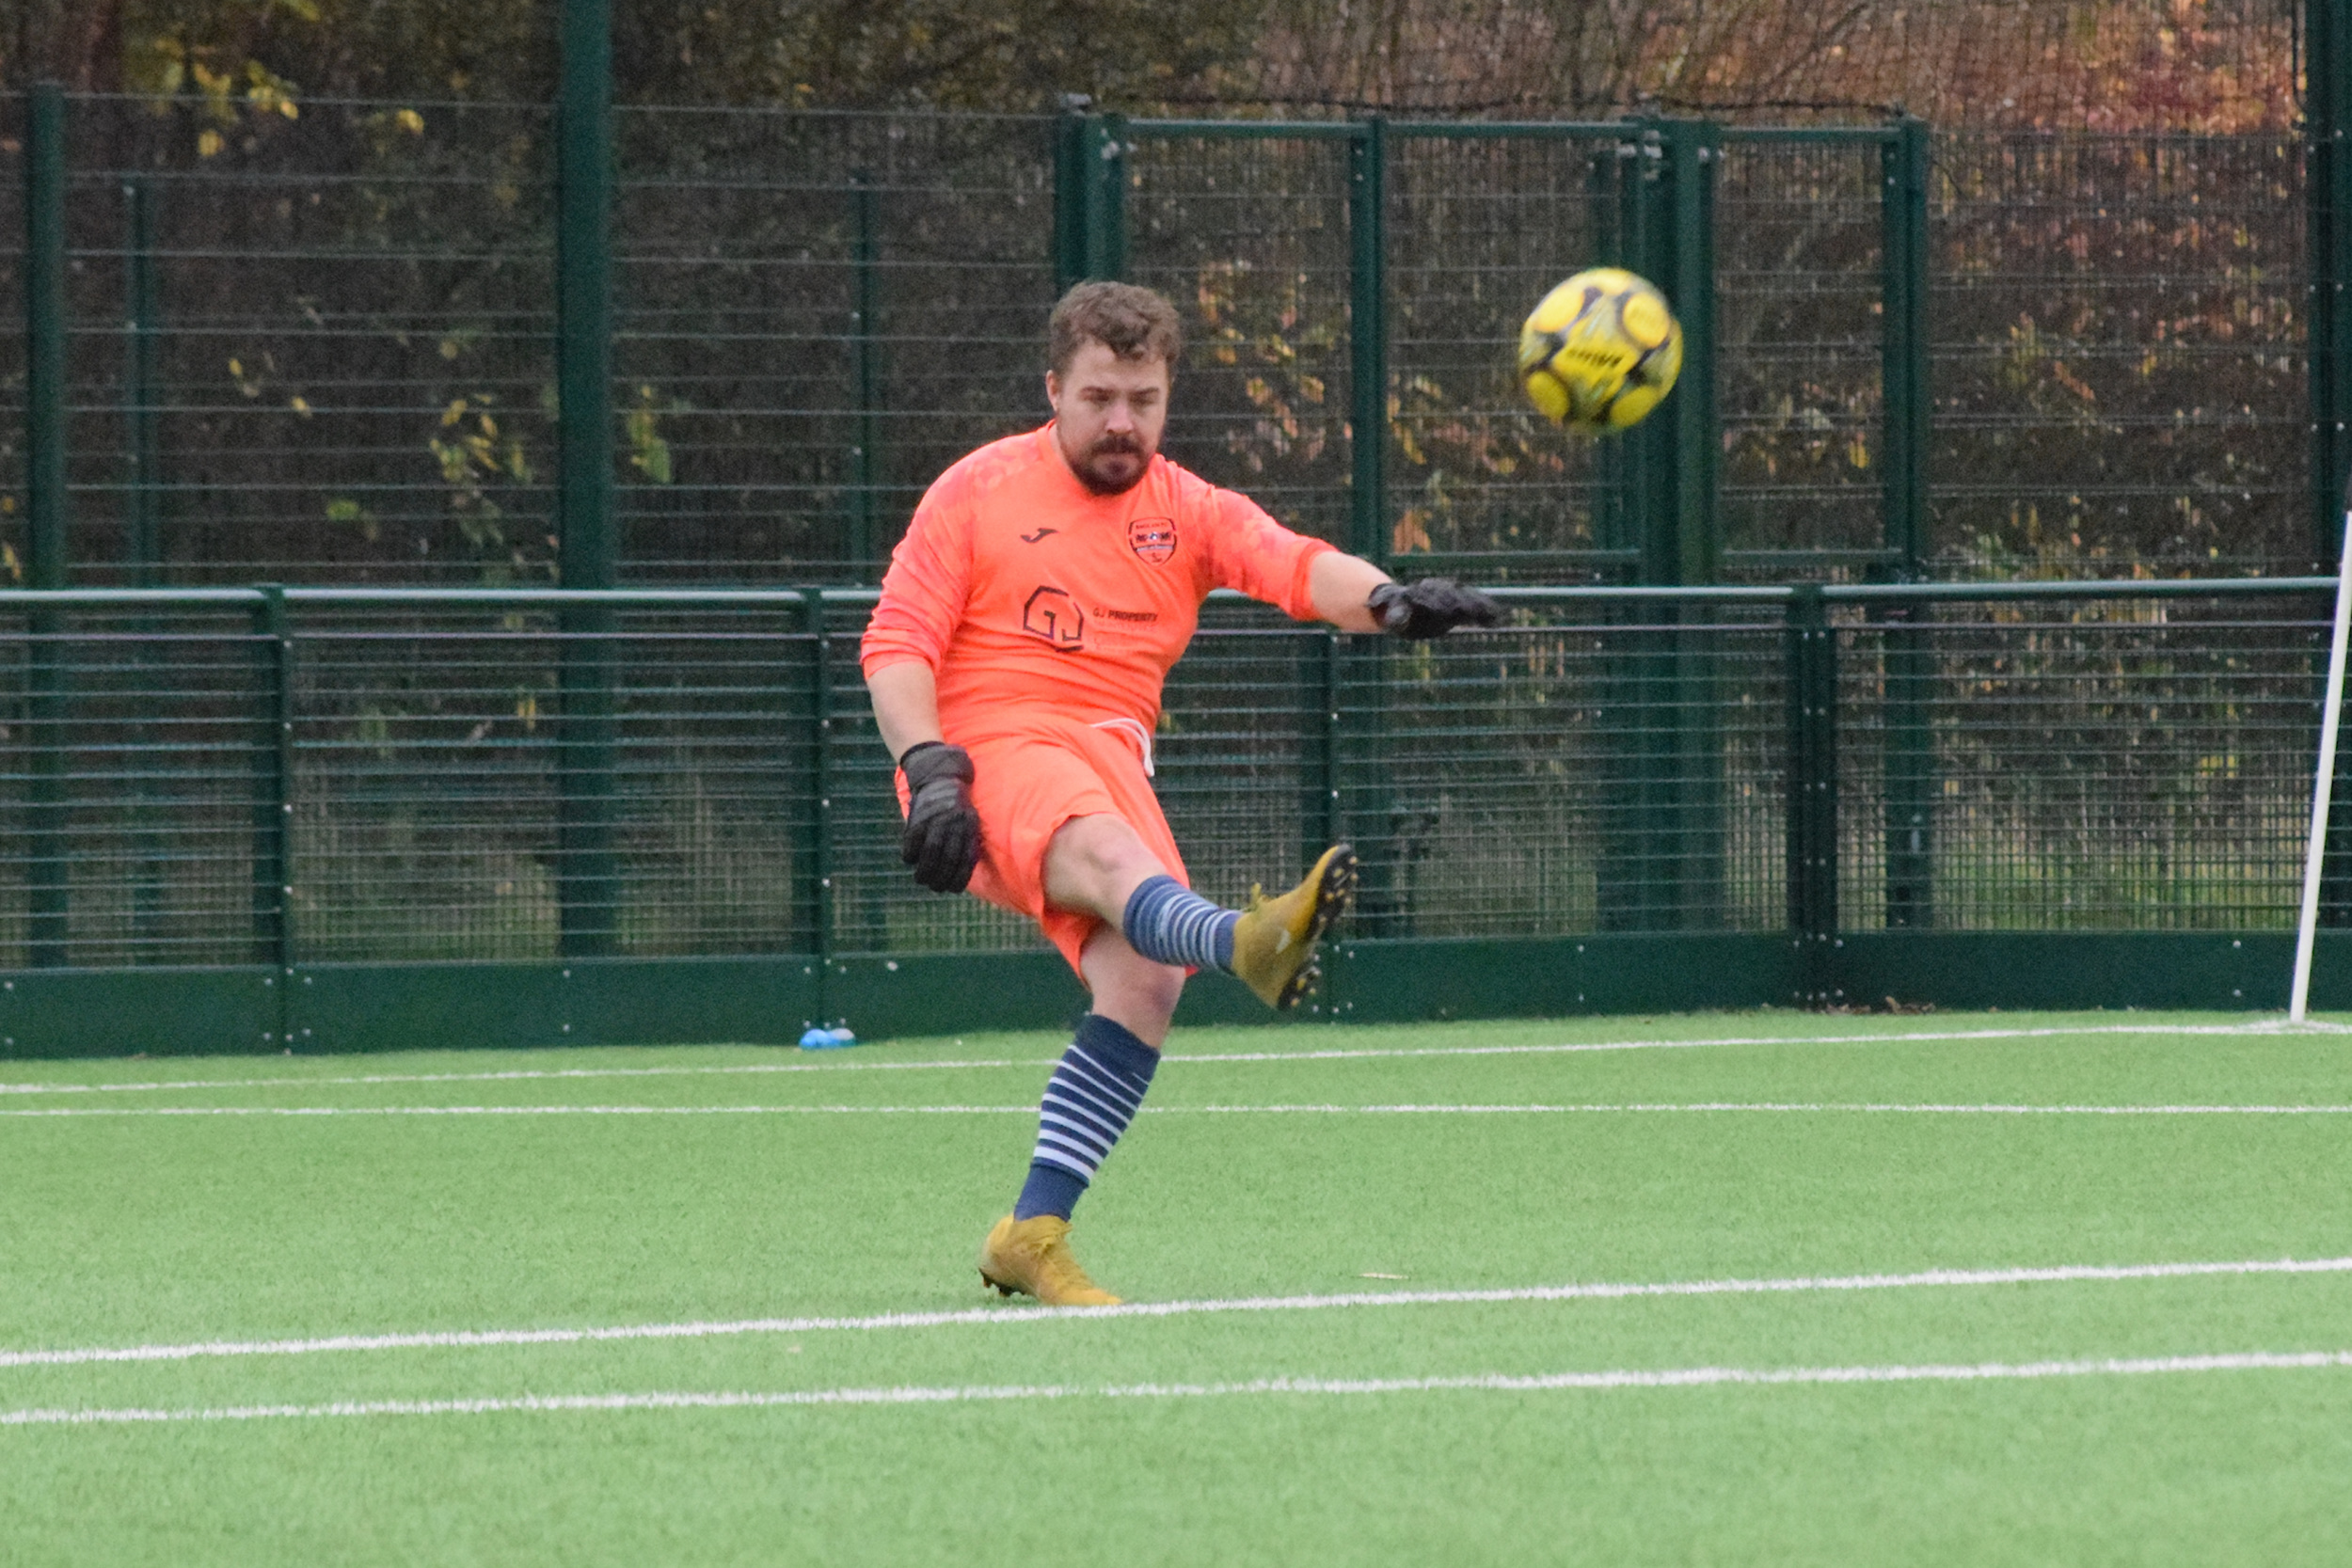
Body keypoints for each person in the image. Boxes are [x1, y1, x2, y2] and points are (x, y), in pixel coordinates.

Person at [860, 281, 1499, 1306]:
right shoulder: (977, 490)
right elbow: (896, 642)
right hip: (991, 750)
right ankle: (1247, 938)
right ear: (1053, 390)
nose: (1122, 421)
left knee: (1146, 984)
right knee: (1114, 857)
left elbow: (1293, 565)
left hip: (1110, 761)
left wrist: (1388, 599)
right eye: (1099, 397)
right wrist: (930, 766)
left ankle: (1030, 1232)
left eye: (1143, 400)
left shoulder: (1187, 508)